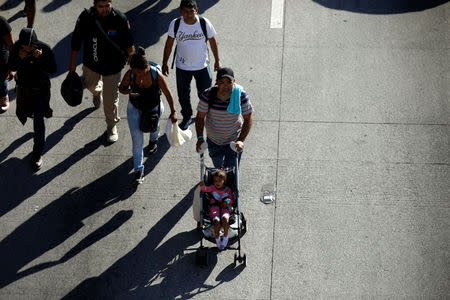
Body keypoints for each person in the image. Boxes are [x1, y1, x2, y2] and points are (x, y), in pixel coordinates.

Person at [69, 0, 134, 143]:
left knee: (110, 101)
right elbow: (76, 40)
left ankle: (111, 126)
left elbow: (129, 42)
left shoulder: (120, 19)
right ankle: (97, 93)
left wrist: (133, 62)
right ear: (94, 5)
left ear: (111, 3)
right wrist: (72, 63)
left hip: (113, 67)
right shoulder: (86, 17)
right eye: (101, 6)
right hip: (91, 64)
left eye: (107, 6)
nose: (105, 9)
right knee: (90, 85)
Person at [119, 46, 178, 186]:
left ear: (146, 66)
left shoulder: (156, 74)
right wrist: (129, 92)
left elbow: (168, 93)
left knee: (154, 127)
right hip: (135, 108)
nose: (138, 76)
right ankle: (139, 171)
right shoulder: (130, 74)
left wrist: (174, 111)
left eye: (141, 73)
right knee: (137, 140)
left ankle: (153, 141)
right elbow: (121, 88)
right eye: (135, 72)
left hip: (154, 108)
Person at [162, 0, 221, 130]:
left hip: (202, 66)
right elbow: (169, 44)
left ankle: (204, 115)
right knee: (183, 95)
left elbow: (213, 42)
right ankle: (187, 116)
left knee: (205, 94)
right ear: (180, 12)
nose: (189, 15)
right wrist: (164, 62)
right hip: (182, 67)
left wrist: (217, 60)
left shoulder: (204, 23)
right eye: (186, 12)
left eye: (191, 11)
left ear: (197, 10)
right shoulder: (175, 24)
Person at [8, 28, 56, 171]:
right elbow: (11, 66)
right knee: (25, 113)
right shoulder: (17, 48)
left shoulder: (44, 48)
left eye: (30, 45)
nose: (28, 48)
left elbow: (53, 69)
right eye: (25, 46)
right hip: (24, 90)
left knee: (39, 121)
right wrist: (19, 58)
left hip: (40, 89)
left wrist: (41, 58)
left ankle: (37, 153)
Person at [195, 67, 253, 168]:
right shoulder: (208, 95)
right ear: (217, 82)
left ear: (234, 82)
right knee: (218, 169)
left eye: (229, 82)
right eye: (222, 82)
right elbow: (200, 118)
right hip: (213, 141)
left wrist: (240, 140)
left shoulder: (240, 95)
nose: (225, 86)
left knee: (230, 172)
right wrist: (200, 138)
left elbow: (248, 119)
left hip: (233, 142)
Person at [200, 169, 233, 250]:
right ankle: (217, 239)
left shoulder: (228, 189)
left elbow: (231, 199)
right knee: (216, 221)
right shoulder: (212, 188)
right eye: (215, 181)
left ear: (224, 181)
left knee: (225, 219)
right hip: (214, 209)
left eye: (219, 181)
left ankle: (225, 236)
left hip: (225, 208)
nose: (217, 183)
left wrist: (227, 201)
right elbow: (205, 189)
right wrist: (202, 185)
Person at [0, 16, 14, 113]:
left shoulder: (1, 22)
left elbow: (11, 46)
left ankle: (3, 94)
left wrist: (12, 67)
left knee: (1, 80)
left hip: (0, 60)